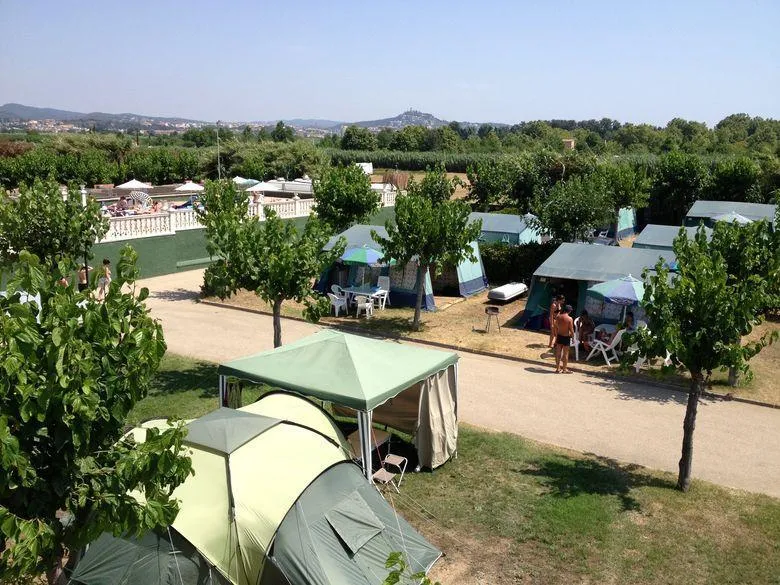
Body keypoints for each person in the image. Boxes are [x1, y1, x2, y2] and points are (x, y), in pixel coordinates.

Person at [555, 304, 575, 373]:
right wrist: (573, 338)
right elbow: (571, 330)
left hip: (559, 335)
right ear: (569, 311)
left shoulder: (558, 317)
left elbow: (556, 325)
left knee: (558, 353)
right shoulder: (570, 319)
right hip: (566, 337)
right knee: (565, 354)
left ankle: (558, 368)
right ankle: (564, 369)